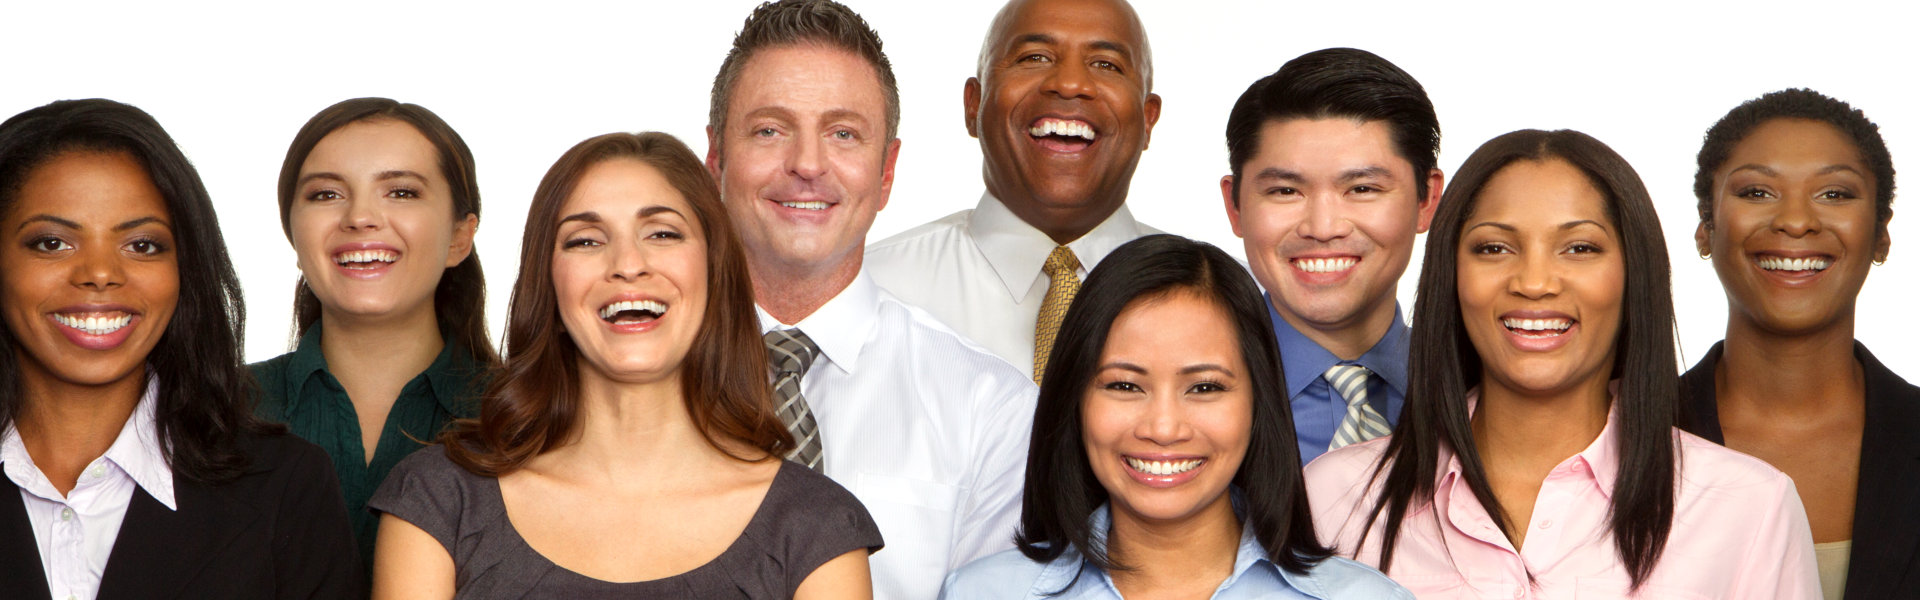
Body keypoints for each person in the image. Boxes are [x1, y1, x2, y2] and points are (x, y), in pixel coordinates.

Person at [1304, 129, 1820, 598]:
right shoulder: (1334, 499)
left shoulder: (1749, 508)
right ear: (1452, 275)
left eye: (1578, 247)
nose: (1534, 282)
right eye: (1494, 247)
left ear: (1632, 276)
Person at [369, 131, 881, 599]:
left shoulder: (816, 526)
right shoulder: (438, 500)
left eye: (662, 234)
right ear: (549, 285)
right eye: (585, 240)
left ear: (714, 269)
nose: (627, 264)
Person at [702, 2, 1035, 597]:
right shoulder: (625, 381)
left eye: (843, 134)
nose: (806, 164)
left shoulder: (991, 410)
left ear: (886, 173)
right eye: (770, 129)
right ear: (715, 160)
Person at [0, 99, 360, 598]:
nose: (100, 272)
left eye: (143, 244)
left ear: (184, 269)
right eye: (52, 242)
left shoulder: (287, 484)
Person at [942, 235, 1409, 599]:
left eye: (1204, 388)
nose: (1163, 428)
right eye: (1124, 386)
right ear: (1075, 401)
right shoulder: (980, 593)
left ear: (1258, 401)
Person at [1681, 89, 1915, 600]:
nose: (1794, 220)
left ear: (1881, 236)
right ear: (1706, 228)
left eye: (1834, 194)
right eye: (1757, 192)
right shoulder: (1617, 440)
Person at [252, 97, 498, 567]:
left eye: (401, 192)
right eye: (326, 194)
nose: (360, 217)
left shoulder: (532, 417)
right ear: (293, 235)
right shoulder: (211, 410)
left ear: (459, 237)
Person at [866, 0, 1163, 383]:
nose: (1070, 83)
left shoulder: (1221, 302)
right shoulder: (873, 289)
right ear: (973, 105)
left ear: (1148, 118)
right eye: (1035, 57)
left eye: (1106, 64)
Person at [1219, 48, 1441, 464]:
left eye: (1362, 189)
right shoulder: (1178, 406)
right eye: (1285, 191)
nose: (1322, 227)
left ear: (1426, 200)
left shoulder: (1476, 394)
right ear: (1235, 207)